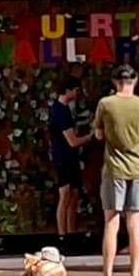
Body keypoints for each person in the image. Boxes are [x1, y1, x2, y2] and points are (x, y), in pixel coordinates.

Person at [91, 65, 139, 276]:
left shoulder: (105, 104)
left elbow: (98, 134)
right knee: (135, 224)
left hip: (114, 170)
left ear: (115, 82)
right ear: (135, 81)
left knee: (111, 222)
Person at [42, 76, 91, 254]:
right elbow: (72, 141)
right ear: (68, 90)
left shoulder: (62, 110)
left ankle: (71, 233)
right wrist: (91, 137)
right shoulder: (60, 112)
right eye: (76, 90)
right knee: (65, 194)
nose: (78, 94)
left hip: (69, 158)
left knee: (73, 195)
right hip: (64, 158)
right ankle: (63, 235)